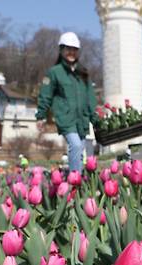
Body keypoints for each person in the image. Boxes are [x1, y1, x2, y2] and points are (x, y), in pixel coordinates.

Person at [36, 32, 98, 173]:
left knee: (79, 150)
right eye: (68, 49)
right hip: (66, 117)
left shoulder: (83, 73)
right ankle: (75, 181)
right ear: (61, 50)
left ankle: (76, 179)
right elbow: (45, 95)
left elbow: (90, 97)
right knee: (75, 146)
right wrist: (41, 115)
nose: (71, 52)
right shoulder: (54, 72)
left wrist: (94, 118)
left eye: (74, 50)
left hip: (81, 119)